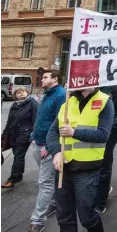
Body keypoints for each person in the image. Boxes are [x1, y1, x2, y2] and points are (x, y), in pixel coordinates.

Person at [47, 87, 114, 232]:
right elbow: (53, 132)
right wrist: (56, 152)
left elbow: (103, 134)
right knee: (64, 217)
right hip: (63, 169)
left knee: (87, 217)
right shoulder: (68, 101)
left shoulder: (105, 101)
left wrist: (73, 132)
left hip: (87, 170)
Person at [27, 70, 66, 232]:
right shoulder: (47, 93)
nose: (41, 79)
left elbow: (59, 123)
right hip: (38, 142)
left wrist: (51, 147)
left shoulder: (61, 95)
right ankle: (55, 203)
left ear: (55, 79)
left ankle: (38, 220)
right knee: (50, 178)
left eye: (45, 77)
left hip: (48, 146)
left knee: (45, 182)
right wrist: (33, 136)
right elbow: (41, 117)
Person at [95, 85, 117, 214]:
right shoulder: (91, 84)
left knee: (103, 166)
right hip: (90, 132)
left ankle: (100, 203)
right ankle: (99, 191)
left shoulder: (116, 87)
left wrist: (107, 126)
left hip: (108, 133)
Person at [1, 86, 38, 188]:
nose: (21, 93)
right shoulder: (14, 105)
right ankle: (19, 175)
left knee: (18, 156)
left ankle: (12, 179)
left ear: (27, 92)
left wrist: (34, 134)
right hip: (13, 134)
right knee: (18, 155)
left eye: (23, 91)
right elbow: (9, 121)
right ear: (15, 96)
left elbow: (36, 120)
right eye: (18, 92)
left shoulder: (32, 103)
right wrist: (4, 135)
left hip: (25, 134)